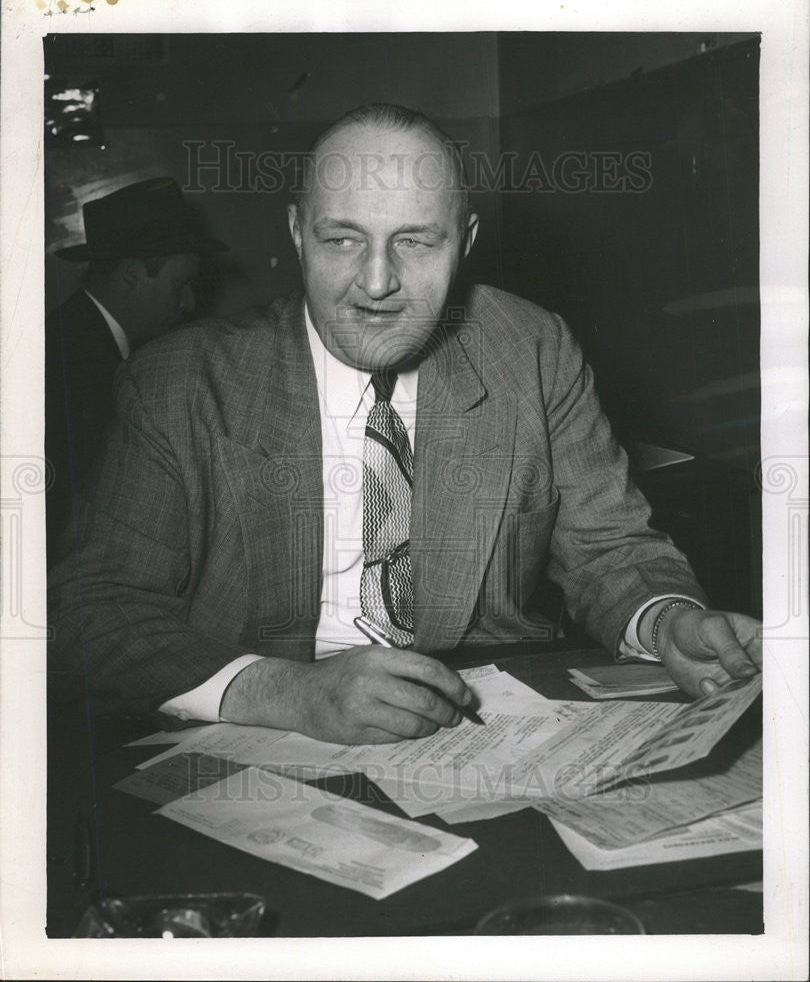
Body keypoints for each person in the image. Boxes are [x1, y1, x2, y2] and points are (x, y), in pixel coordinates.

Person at [47, 104, 762, 745]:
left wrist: (668, 620)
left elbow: (609, 549)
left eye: (416, 241)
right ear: (297, 233)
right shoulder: (181, 382)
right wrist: (285, 692)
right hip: (254, 729)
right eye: (344, 240)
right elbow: (91, 608)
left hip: (487, 725)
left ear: (466, 240)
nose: (379, 282)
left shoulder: (532, 349)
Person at [45, 176, 227, 554]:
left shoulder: (78, 338)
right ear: (131, 274)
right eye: (181, 284)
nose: (190, 303)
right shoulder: (72, 361)